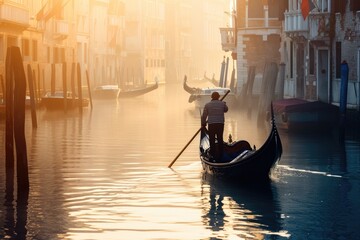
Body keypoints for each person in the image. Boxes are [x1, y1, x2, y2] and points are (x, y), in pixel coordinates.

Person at [201, 91, 228, 162]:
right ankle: (221, 154)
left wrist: (203, 123)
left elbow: (204, 115)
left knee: (212, 139)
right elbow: (226, 110)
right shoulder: (222, 104)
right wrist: (224, 104)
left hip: (211, 124)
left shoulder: (207, 105)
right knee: (220, 138)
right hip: (220, 124)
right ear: (218, 97)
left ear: (212, 97)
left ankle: (213, 154)